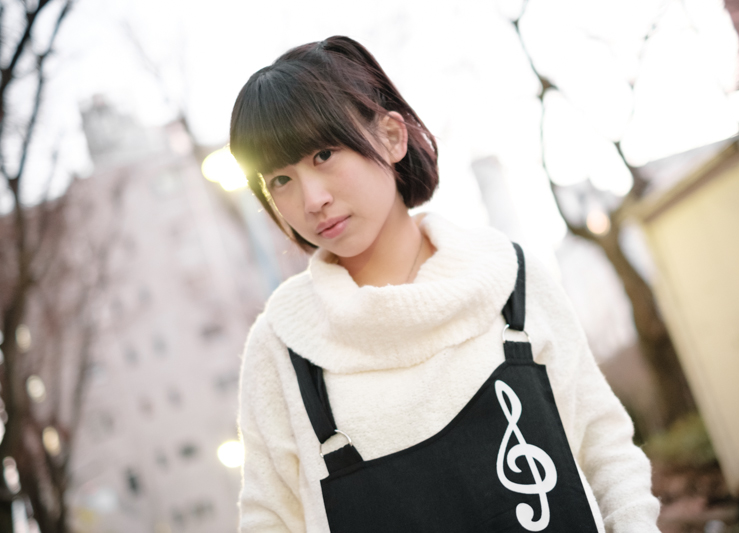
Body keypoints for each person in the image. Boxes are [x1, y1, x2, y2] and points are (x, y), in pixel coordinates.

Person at [230, 35, 661, 533]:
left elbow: (605, 448)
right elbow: (269, 520)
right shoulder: (283, 345)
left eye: (323, 154)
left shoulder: (508, 281)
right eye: (280, 180)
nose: (312, 199)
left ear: (391, 137)